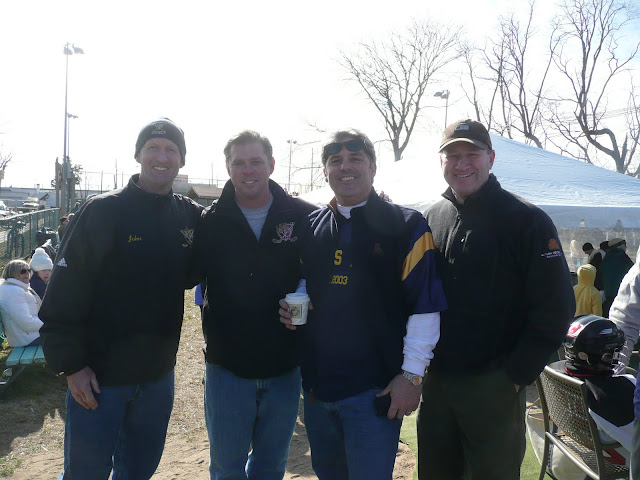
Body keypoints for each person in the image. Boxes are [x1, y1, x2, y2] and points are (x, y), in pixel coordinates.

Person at [39, 118, 202, 480]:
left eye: (171, 150)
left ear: (181, 159)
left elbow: (220, 252)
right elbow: (64, 292)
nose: (162, 157)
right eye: (153, 148)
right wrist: (72, 366)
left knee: (138, 471)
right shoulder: (102, 211)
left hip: (157, 377)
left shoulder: (189, 215)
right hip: (100, 378)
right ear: (138, 155)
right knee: (86, 473)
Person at [279, 129, 447, 479]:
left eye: (355, 158)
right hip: (317, 390)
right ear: (325, 171)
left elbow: (425, 307)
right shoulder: (311, 225)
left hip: (374, 390)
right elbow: (306, 279)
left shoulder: (407, 225)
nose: (345, 167)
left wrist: (411, 376)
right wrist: (296, 304)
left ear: (373, 166)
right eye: (335, 161)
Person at [419, 119, 575, 480]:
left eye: (472, 154)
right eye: (452, 156)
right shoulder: (429, 217)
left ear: (490, 158)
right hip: (437, 381)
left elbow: (556, 308)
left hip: (494, 382)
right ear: (441, 162)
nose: (462, 164)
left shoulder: (527, 220)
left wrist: (516, 375)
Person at [191, 130, 316, 480]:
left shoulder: (303, 215)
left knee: (270, 468)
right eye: (239, 163)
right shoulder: (208, 221)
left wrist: (308, 296)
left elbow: (320, 272)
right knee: (227, 469)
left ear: (271, 164)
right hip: (227, 369)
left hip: (284, 367)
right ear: (228, 168)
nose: (248, 170)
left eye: (256, 162)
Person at [527, 315, 633, 479]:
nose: (616, 356)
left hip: (584, 440)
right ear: (587, 356)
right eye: (609, 353)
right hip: (617, 454)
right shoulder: (609, 396)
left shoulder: (556, 369)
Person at [0, 259, 43, 347]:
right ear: (12, 273)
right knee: (66, 335)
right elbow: (26, 323)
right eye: (23, 271)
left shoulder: (17, 288)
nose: (27, 273)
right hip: (28, 339)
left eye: (29, 270)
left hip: (30, 335)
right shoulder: (13, 291)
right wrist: (48, 325)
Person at [601, 238, 634, 317]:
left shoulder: (607, 257)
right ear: (621, 246)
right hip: (620, 290)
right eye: (625, 245)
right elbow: (633, 270)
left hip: (608, 291)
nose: (626, 247)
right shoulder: (622, 256)